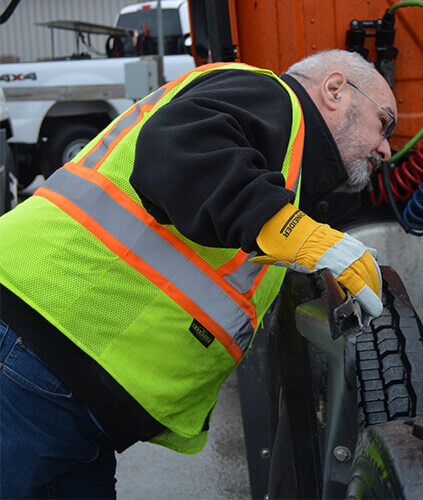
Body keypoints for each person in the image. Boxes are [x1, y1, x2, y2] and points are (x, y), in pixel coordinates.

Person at [0, 49, 396, 497]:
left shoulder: (282, 167)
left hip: (66, 381)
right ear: (335, 89)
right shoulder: (273, 97)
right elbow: (175, 146)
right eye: (385, 123)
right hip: (34, 355)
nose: (387, 148)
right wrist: (298, 234)